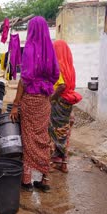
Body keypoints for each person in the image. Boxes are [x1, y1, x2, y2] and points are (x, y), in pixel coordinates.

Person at [10, 16, 60, 193]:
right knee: (43, 138)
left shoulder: (30, 49)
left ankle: (27, 180)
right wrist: (44, 85)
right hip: (44, 100)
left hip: (30, 100)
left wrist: (16, 104)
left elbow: (24, 79)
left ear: (31, 30)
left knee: (28, 138)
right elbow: (55, 75)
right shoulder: (50, 49)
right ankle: (45, 180)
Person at [49, 40, 82, 173]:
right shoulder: (70, 67)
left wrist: (51, 99)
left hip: (58, 102)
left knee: (53, 132)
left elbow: (61, 87)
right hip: (68, 103)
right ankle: (63, 164)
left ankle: (51, 163)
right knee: (64, 132)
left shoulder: (57, 65)